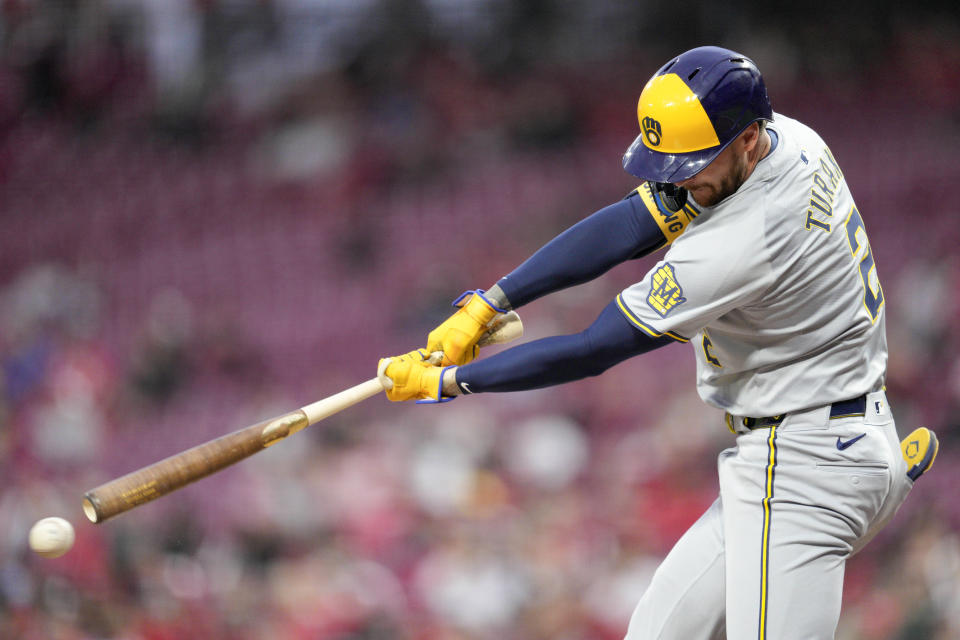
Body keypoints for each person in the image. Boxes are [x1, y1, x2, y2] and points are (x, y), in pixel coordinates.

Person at [376, 46, 938, 640]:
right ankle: (877, 483)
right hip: (805, 444)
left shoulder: (742, 242)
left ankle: (867, 489)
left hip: (807, 470)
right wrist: (495, 300)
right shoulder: (790, 140)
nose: (676, 177)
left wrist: (452, 382)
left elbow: (594, 349)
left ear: (747, 138)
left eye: (692, 162)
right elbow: (631, 222)